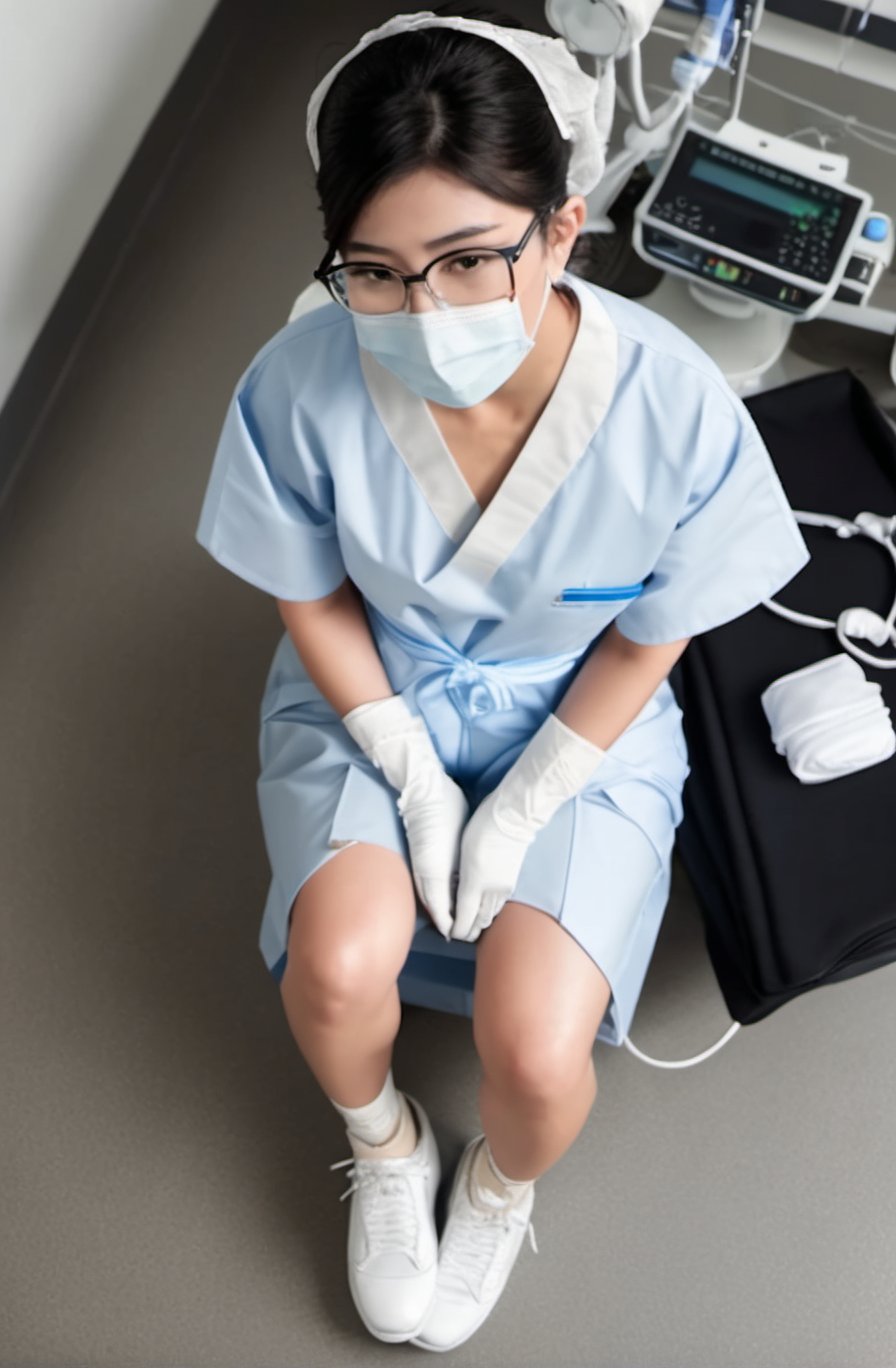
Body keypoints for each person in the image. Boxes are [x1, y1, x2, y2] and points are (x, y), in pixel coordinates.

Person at [195, 6, 810, 1352]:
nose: (424, 310)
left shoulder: (670, 404)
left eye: (470, 259)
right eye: (375, 270)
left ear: (563, 229)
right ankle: (393, 1140)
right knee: (336, 967)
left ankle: (496, 1182)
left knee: (539, 1051)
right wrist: (407, 766)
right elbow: (309, 591)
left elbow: (654, 633)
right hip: (376, 694)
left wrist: (528, 800)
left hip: (578, 719)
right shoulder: (301, 386)